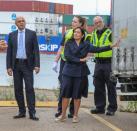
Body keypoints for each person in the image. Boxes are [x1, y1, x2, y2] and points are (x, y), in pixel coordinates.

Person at [55, 27, 119, 123]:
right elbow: (67, 56)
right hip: (68, 72)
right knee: (65, 94)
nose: (75, 33)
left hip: (80, 72)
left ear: (82, 35)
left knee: (77, 95)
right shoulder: (68, 43)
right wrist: (80, 60)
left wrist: (111, 46)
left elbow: (98, 49)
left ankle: (75, 116)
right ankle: (63, 115)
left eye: (78, 32)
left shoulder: (86, 44)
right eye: (74, 32)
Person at [6, 16, 40, 121]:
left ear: (25, 22)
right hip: (16, 65)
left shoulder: (32, 34)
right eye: (19, 21)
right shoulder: (11, 35)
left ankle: (32, 113)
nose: (21, 23)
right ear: (16, 24)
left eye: (23, 21)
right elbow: (9, 52)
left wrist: (37, 65)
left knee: (29, 88)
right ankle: (21, 111)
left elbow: (36, 51)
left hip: (28, 65)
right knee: (18, 89)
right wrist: (9, 67)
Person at [53, 16, 86, 118]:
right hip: (65, 63)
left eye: (75, 21)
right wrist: (55, 61)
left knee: (76, 88)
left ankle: (72, 111)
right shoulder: (67, 33)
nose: (72, 23)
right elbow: (61, 48)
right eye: (72, 21)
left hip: (78, 65)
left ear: (80, 24)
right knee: (64, 86)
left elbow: (88, 48)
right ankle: (60, 110)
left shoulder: (85, 35)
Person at [90, 16, 118, 116]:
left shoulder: (110, 33)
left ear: (103, 22)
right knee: (98, 86)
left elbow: (116, 46)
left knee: (111, 86)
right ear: (94, 24)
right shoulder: (93, 34)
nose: (98, 24)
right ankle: (100, 107)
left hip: (109, 63)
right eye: (96, 23)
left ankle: (112, 108)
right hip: (98, 63)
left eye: (99, 22)